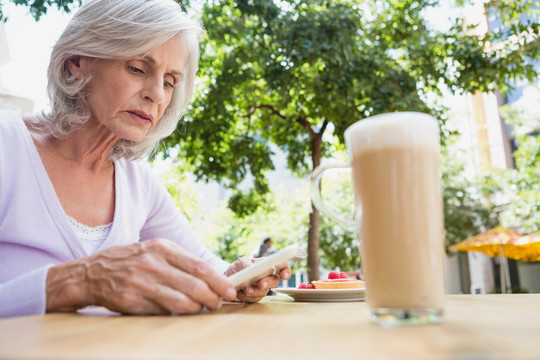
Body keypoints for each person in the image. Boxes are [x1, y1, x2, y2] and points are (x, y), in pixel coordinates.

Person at [0, 0, 290, 318]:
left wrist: (241, 278)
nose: (157, 94)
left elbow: (206, 266)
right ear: (77, 61)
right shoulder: (7, 144)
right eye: (138, 68)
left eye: (169, 82)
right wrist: (78, 282)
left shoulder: (138, 182)